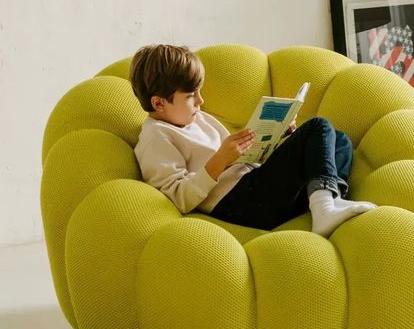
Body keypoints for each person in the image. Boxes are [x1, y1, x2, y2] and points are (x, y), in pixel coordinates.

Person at [130, 44, 375, 237]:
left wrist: (279, 139)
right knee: (318, 127)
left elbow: (244, 161)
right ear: (159, 103)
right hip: (237, 203)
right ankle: (324, 209)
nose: (201, 101)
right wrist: (219, 161)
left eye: (199, 92)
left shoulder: (197, 118)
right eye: (191, 96)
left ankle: (328, 199)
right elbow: (178, 197)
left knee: (339, 140)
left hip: (254, 186)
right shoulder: (156, 137)